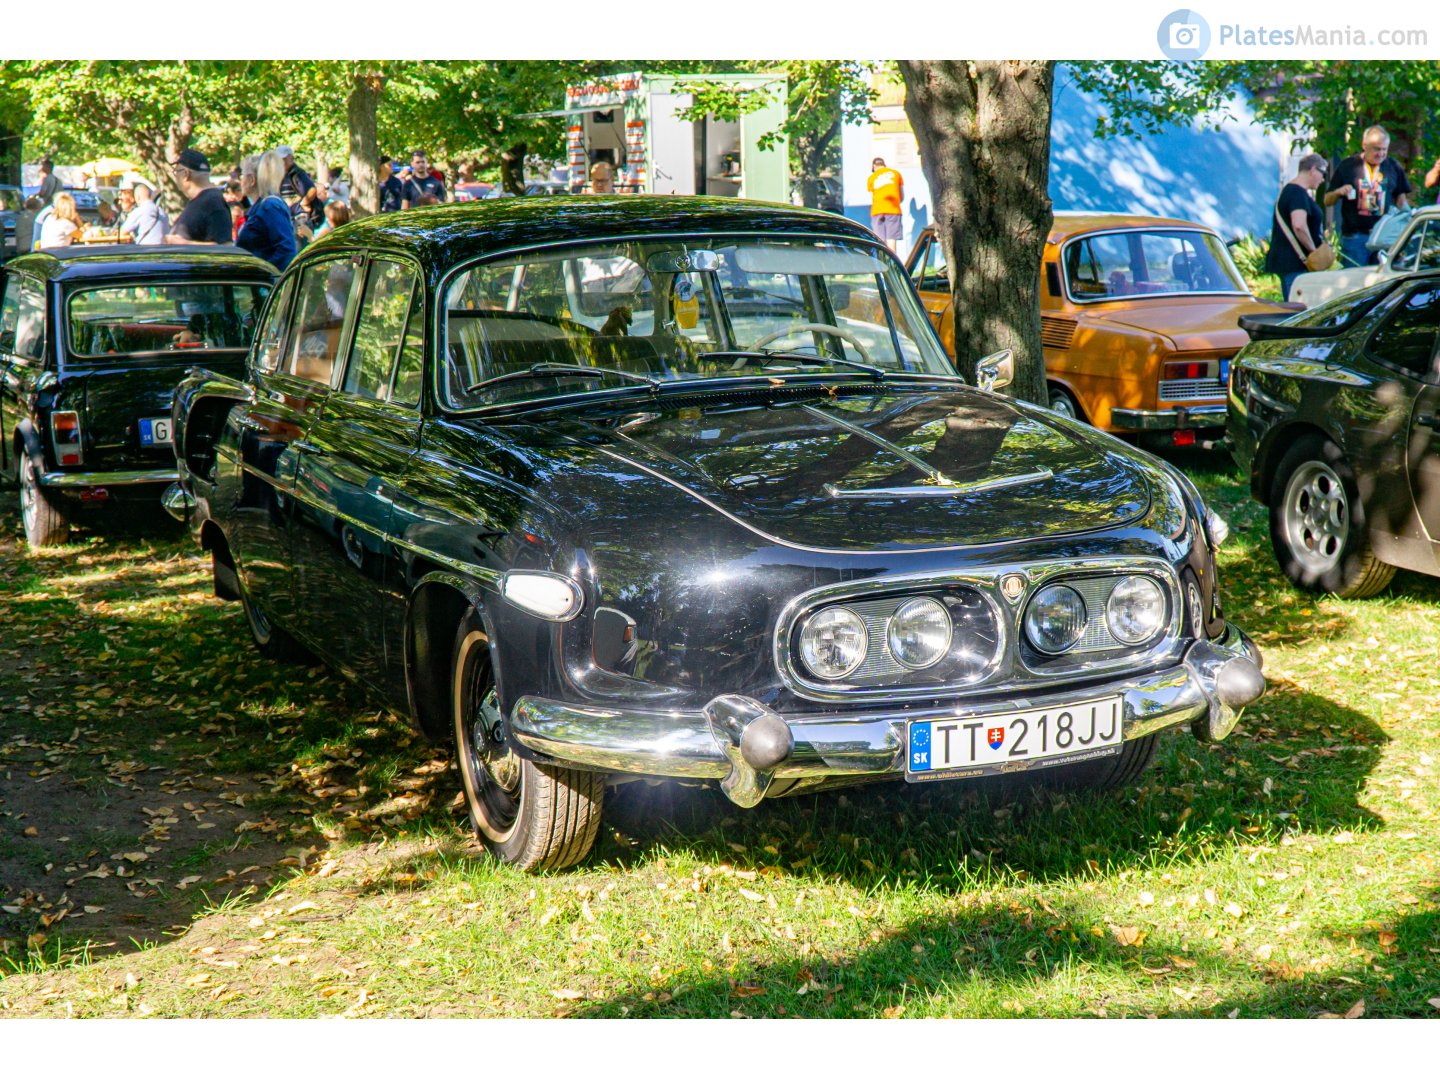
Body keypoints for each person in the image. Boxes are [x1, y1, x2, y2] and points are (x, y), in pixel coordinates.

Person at [1327, 126, 1412, 268]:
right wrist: (1338, 192)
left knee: (1384, 282)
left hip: (1384, 237)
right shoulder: (1348, 166)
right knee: (1355, 283)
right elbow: (1327, 200)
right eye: (1377, 149)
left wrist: (1407, 222)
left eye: (1384, 149)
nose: (1381, 153)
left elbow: (1401, 201)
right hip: (1356, 237)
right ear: (1364, 146)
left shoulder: (1393, 167)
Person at [1265, 154, 1328, 301]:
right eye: (1323, 173)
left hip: (1292, 263)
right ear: (1313, 170)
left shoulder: (1292, 191)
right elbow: (1299, 225)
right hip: (1295, 263)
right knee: (1297, 309)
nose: (1323, 179)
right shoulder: (1296, 193)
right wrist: (1314, 252)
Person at [235, 151, 298, 271]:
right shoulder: (263, 207)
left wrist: (263, 275)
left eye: (241, 176)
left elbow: (286, 250)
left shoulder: (270, 207)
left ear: (252, 179)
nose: (240, 181)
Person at [165, 148, 233, 245]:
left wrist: (181, 243)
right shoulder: (201, 201)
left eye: (176, 172)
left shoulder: (213, 203)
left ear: (185, 174)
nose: (175, 177)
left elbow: (225, 247)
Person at [277, 145, 324, 229]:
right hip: (288, 216)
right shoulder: (281, 175)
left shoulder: (297, 173)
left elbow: (312, 190)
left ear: (291, 158)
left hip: (299, 217)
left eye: (284, 159)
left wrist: (304, 203)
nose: (281, 162)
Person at [117, 174, 169, 245]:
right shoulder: (162, 212)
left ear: (137, 197)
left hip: (146, 251)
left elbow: (121, 233)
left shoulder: (139, 211)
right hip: (164, 251)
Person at [867, 157, 904, 253]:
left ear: (874, 166)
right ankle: (892, 264)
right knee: (891, 239)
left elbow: (872, 196)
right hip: (893, 210)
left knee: (879, 240)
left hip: (877, 211)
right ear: (884, 165)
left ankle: (881, 264)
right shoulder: (896, 174)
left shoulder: (872, 177)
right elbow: (902, 196)